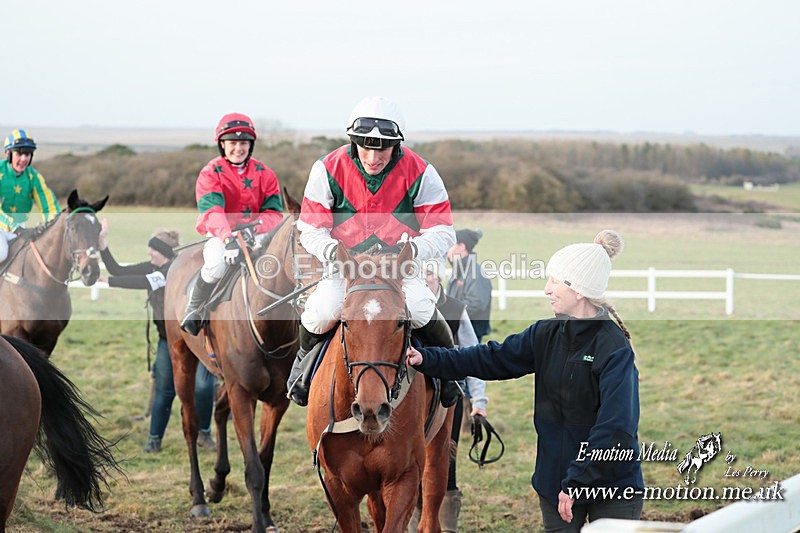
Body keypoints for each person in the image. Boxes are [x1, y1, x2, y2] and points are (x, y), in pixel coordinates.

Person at [407, 230, 644, 532]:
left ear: (580, 290)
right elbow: (490, 358)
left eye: (555, 281)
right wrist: (428, 359)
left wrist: (577, 482)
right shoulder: (544, 334)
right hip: (555, 483)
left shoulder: (613, 349)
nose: (547, 289)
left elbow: (616, 429)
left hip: (611, 488)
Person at [287, 96, 458, 408]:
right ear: (353, 141)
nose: (373, 155)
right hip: (346, 267)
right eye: (365, 145)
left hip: (400, 269)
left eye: (383, 146)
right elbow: (310, 228)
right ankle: (302, 367)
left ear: (397, 145)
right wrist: (331, 251)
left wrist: (411, 250)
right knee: (321, 312)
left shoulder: (422, 171)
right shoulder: (326, 168)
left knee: (420, 308)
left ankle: (449, 372)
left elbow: (443, 231)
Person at [98, 223, 217, 453]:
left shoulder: (171, 271)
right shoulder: (153, 267)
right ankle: (154, 440)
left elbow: (143, 282)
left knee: (203, 388)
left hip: (200, 337)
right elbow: (117, 269)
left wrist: (107, 282)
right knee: (165, 389)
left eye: (153, 249)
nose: (149, 253)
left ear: (163, 251)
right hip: (169, 340)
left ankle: (204, 433)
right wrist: (103, 245)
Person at [180, 113, 284, 335]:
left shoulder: (265, 173)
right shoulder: (211, 172)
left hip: (257, 233)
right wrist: (228, 239)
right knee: (217, 265)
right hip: (221, 234)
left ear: (251, 145)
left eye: (243, 143)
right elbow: (212, 211)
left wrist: (254, 229)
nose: (238, 148)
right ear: (222, 145)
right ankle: (194, 308)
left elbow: (275, 213)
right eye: (233, 143)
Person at [424, 260, 489, 532]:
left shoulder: (455, 309)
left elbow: (473, 356)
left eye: (429, 273)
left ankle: (447, 526)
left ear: (439, 277)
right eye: (419, 273)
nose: (425, 279)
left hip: (448, 399)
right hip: (409, 401)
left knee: (444, 466)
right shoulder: (404, 306)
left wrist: (479, 402)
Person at [0, 129, 61, 262]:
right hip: (7, 226)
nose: (24, 159)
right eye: (19, 153)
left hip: (19, 227)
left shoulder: (34, 177)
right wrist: (15, 228)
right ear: (7, 153)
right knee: (1, 252)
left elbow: (49, 206)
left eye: (27, 154)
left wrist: (55, 227)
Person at [447, 228, 492, 342]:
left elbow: (476, 303)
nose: (448, 250)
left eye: (451, 245)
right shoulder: (459, 270)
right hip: (458, 331)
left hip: (470, 333)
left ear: (462, 246)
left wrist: (451, 316)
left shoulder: (476, 273)